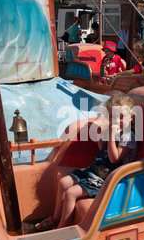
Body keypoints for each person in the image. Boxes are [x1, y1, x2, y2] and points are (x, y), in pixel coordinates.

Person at [35, 92, 137, 231]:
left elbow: (114, 159)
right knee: (63, 182)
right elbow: (104, 152)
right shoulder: (113, 131)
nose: (117, 121)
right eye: (113, 117)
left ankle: (61, 228)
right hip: (96, 171)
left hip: (108, 179)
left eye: (121, 117)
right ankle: (55, 218)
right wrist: (100, 138)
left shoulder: (128, 137)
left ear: (131, 117)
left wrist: (112, 136)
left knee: (71, 193)